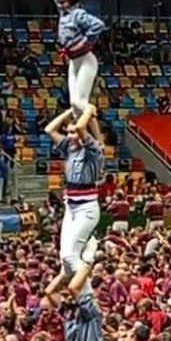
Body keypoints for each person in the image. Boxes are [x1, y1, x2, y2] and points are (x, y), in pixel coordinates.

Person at [45, 103, 104, 299]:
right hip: (71, 206)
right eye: (68, 132)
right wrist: (69, 112)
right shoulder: (70, 148)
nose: (70, 136)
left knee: (71, 256)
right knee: (64, 258)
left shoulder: (93, 150)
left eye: (73, 132)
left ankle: (86, 294)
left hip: (86, 208)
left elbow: (80, 128)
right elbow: (49, 129)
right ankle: (87, 259)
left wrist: (86, 109)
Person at [48, 0, 105, 115]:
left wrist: (85, 42)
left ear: (72, 1)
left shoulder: (78, 14)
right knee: (74, 105)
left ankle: (93, 119)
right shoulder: (63, 11)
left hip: (85, 59)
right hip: (74, 61)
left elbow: (98, 25)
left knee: (80, 103)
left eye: (62, 2)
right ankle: (80, 137)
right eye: (58, 2)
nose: (59, 4)